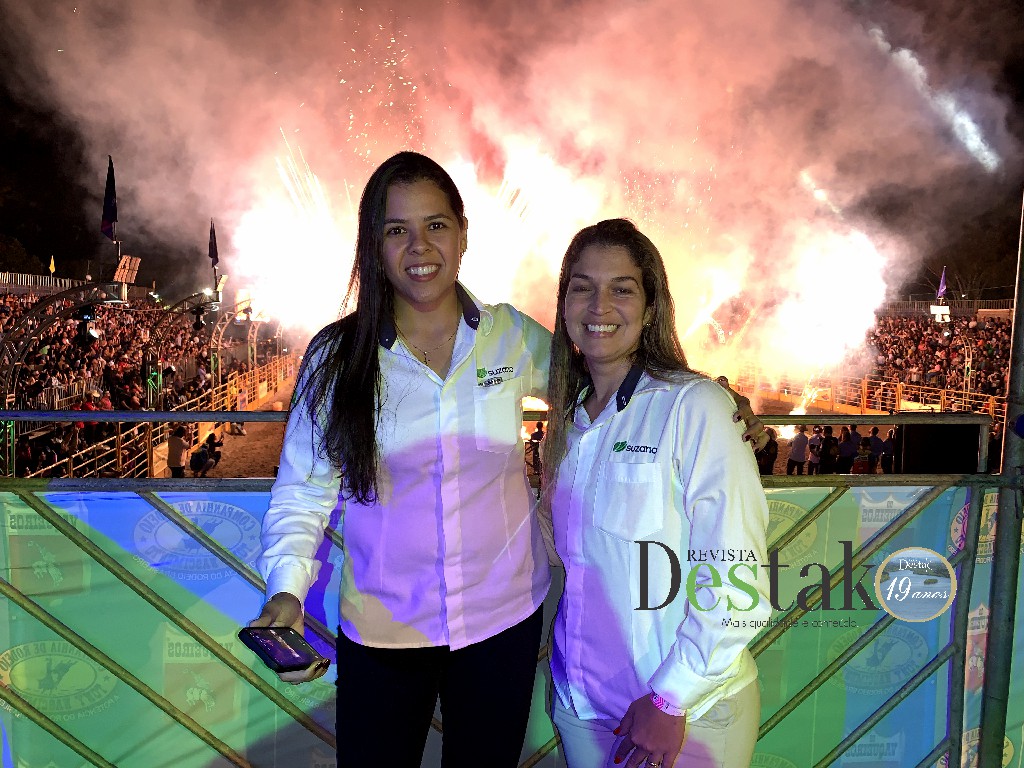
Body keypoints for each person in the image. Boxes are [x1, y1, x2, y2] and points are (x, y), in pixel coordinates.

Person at [249, 153, 766, 768]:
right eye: (397, 230)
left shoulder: (512, 337)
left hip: (502, 628)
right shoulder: (338, 357)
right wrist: (286, 590)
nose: (420, 247)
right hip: (384, 629)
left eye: (436, 225)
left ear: (463, 234)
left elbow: (602, 370)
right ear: (373, 244)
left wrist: (712, 398)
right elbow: (303, 490)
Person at [541, 219, 769, 768]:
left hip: (685, 713)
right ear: (564, 304)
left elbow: (737, 576)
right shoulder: (568, 421)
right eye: (582, 287)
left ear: (650, 308)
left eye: (621, 289)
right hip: (581, 705)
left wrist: (671, 698)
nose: (599, 306)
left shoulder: (694, 407)